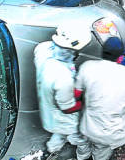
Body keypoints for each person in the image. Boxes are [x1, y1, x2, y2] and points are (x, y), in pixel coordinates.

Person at [74, 39, 125, 160]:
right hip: (110, 133)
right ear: (120, 58)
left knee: (95, 144)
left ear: (102, 53)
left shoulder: (86, 67)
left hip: (87, 127)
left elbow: (76, 94)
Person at [33, 24, 92, 160]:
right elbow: (67, 108)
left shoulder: (42, 49)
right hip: (65, 119)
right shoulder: (63, 78)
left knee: (59, 134)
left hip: (49, 113)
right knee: (80, 138)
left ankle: (51, 151)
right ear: (73, 50)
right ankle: (84, 156)